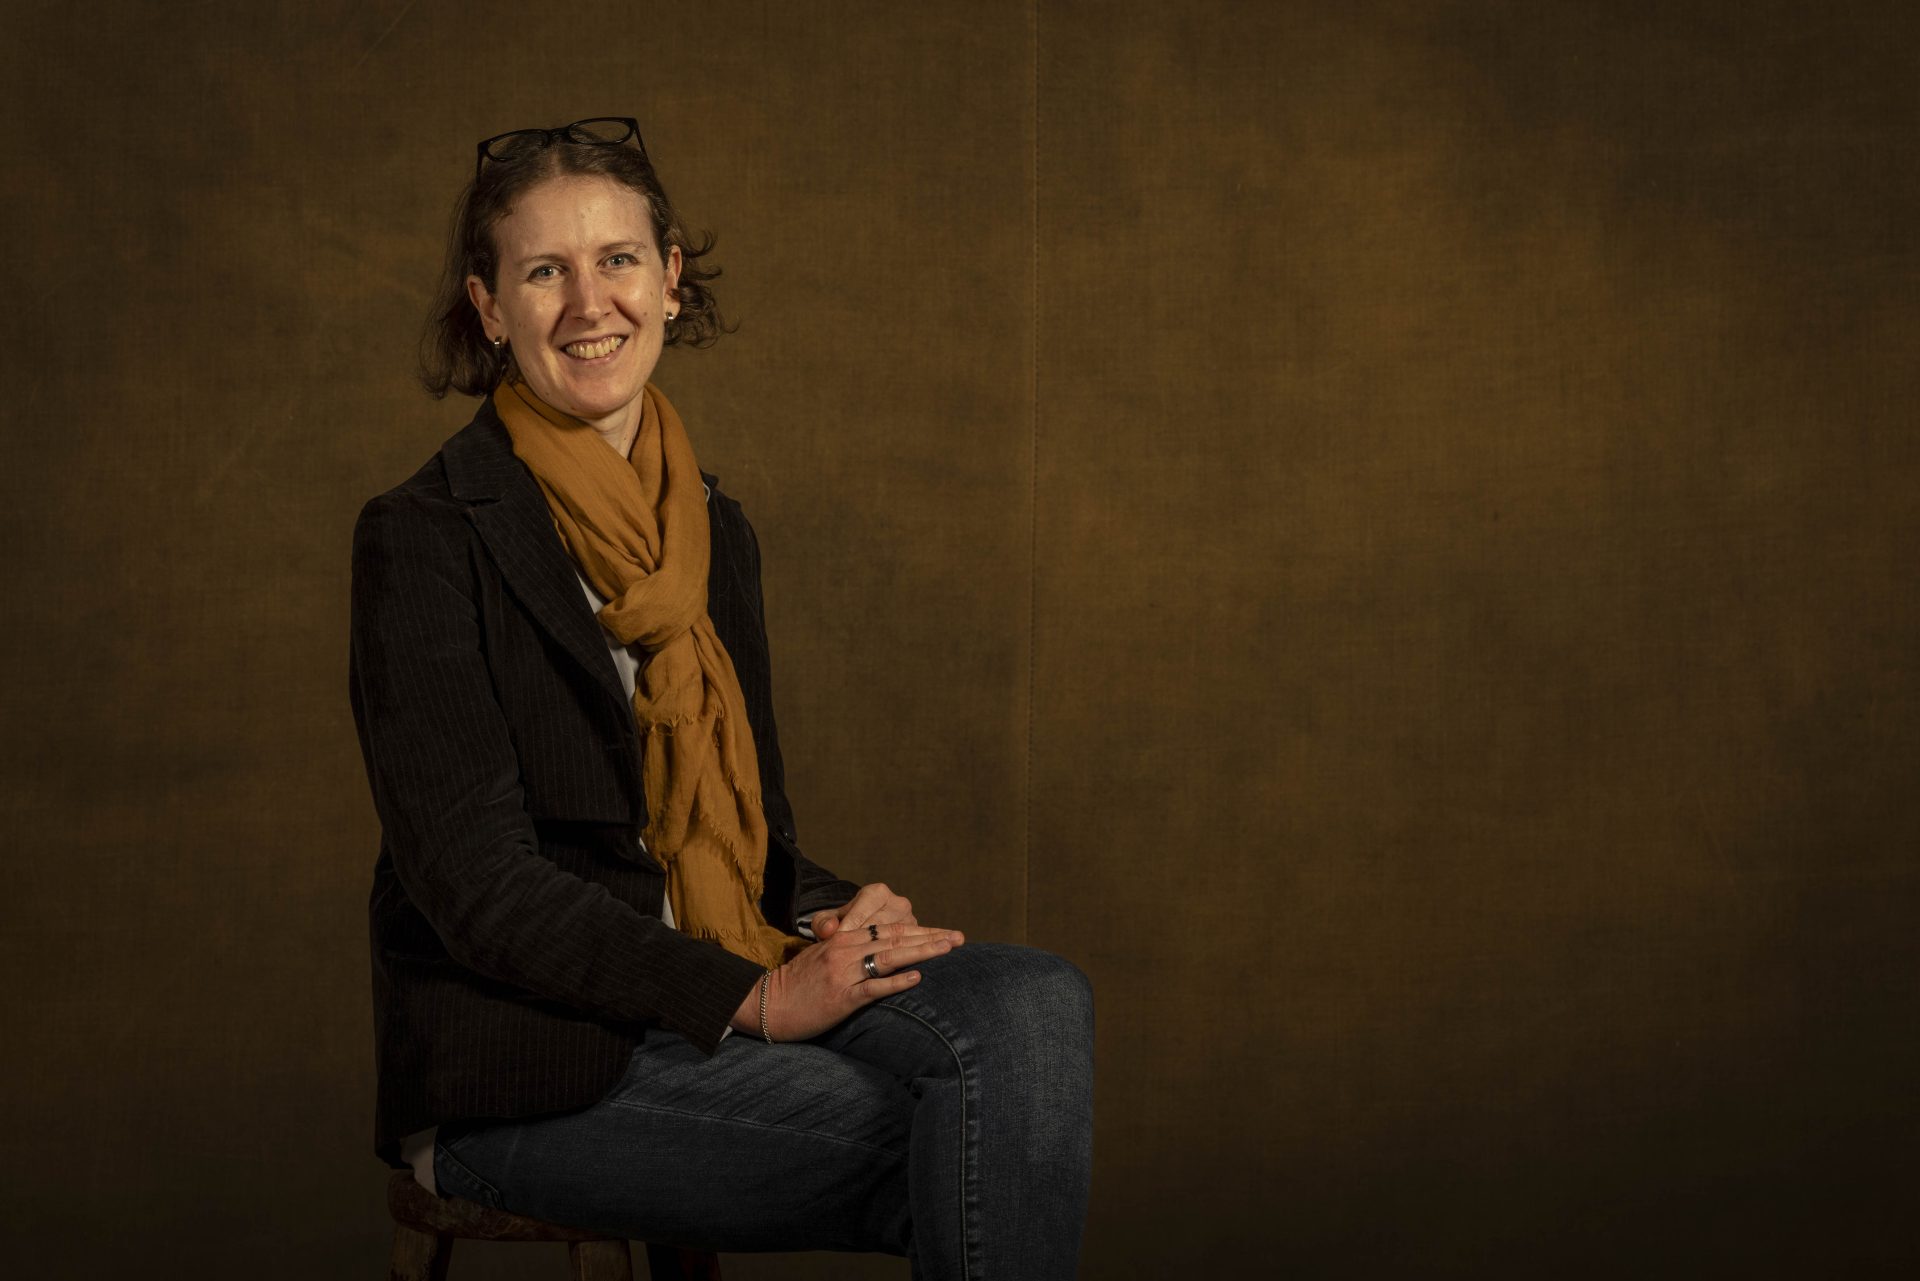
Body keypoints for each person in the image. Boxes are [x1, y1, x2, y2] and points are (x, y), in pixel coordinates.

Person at [348, 117, 1094, 1277]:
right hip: (536, 1073)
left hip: (718, 981)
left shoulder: (713, 529)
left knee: (1036, 1004)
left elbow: (750, 844)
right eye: (543, 272)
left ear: (669, 278)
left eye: (618, 260)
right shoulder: (427, 536)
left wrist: (838, 916)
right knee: (988, 1137)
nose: (589, 303)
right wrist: (752, 998)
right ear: (489, 309)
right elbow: (478, 889)